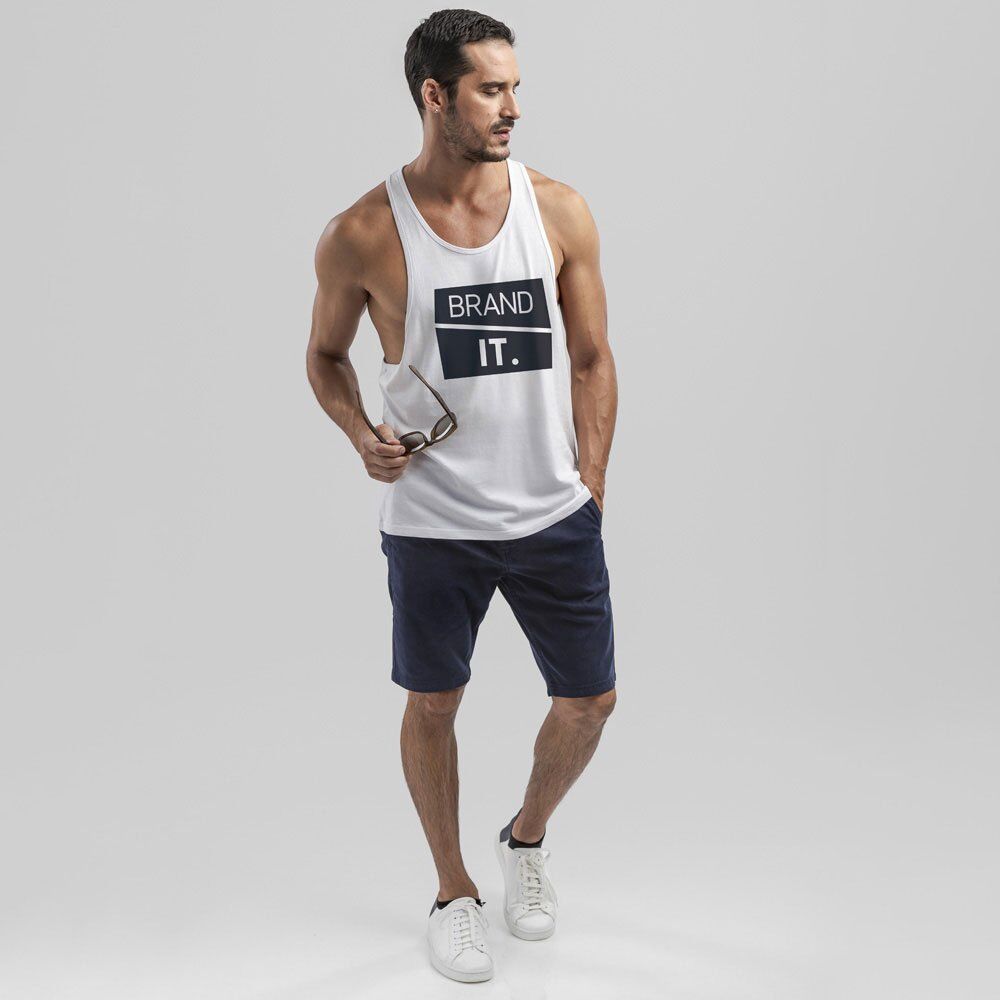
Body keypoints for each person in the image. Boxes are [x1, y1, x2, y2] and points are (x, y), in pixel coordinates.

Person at [306, 9, 618, 984]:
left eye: (515, 87)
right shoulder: (363, 232)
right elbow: (324, 357)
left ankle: (524, 839)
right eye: (491, 89)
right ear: (435, 96)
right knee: (434, 701)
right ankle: (453, 891)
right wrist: (360, 432)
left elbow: (593, 357)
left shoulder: (558, 211)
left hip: (552, 515)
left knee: (590, 701)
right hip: (434, 523)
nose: (512, 107)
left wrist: (590, 488)